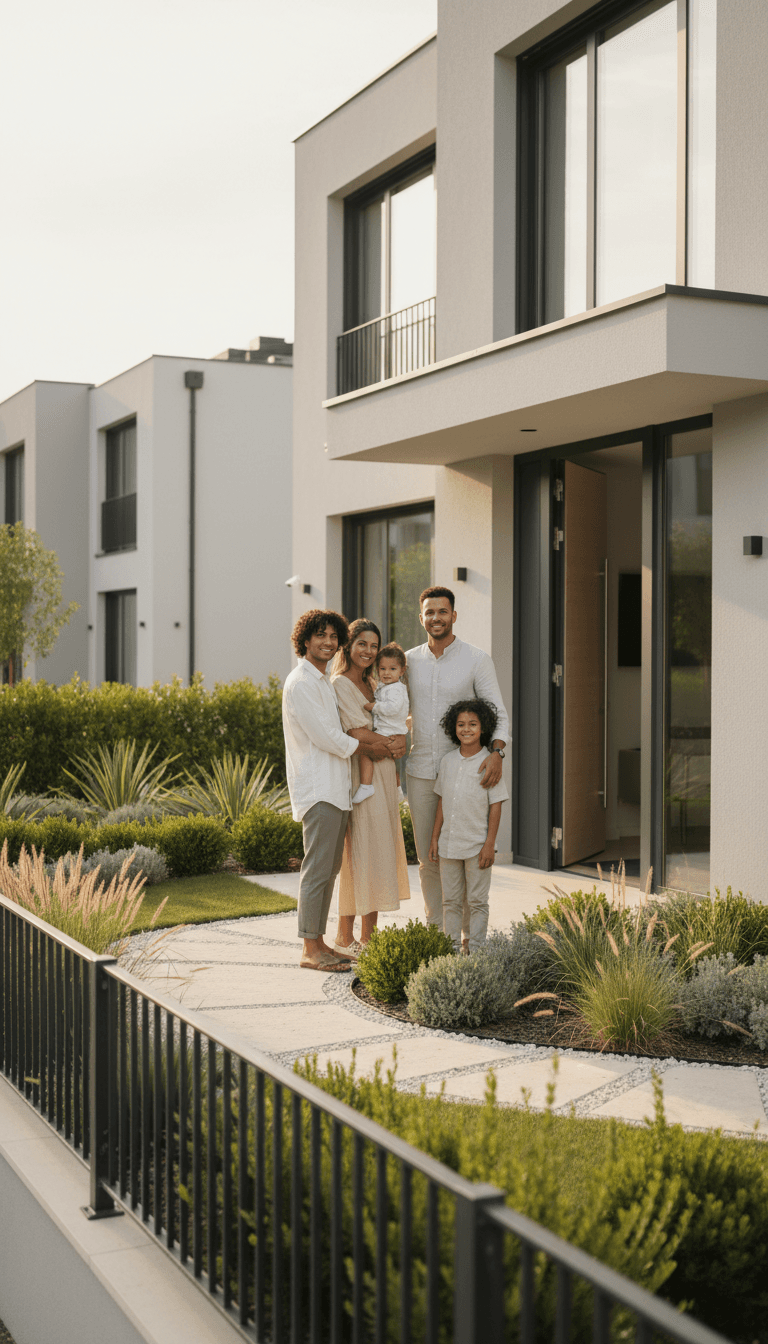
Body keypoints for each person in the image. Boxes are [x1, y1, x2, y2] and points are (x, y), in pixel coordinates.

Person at [282, 608, 383, 973]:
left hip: (336, 790)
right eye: (320, 635)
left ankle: (320, 943)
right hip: (319, 790)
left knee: (329, 872)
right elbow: (325, 737)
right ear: (305, 640)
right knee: (318, 870)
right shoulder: (302, 683)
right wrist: (367, 747)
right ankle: (310, 948)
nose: (327, 642)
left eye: (332, 637)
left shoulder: (322, 681)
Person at [406, 586, 510, 935]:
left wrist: (497, 752)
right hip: (421, 771)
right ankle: (439, 934)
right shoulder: (409, 661)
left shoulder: (476, 659)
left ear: (454, 615)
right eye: (429, 612)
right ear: (421, 618)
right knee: (430, 859)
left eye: (442, 611)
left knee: (467, 855)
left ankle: (470, 936)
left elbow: (498, 713)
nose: (436, 617)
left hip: (467, 772)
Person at [331, 620, 410, 958]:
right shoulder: (341, 684)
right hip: (362, 772)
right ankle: (344, 935)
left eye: (373, 646)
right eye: (361, 643)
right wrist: (393, 744)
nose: (368, 651)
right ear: (348, 646)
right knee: (359, 852)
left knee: (377, 851)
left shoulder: (375, 682)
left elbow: (395, 720)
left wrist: (400, 741)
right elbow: (357, 734)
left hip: (384, 772)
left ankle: (370, 938)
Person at [428, 698, 509, 952]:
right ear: (454, 728)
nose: (466, 729)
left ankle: (476, 952)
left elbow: (496, 805)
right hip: (448, 846)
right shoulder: (448, 761)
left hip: (477, 846)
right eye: (461, 724)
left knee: (477, 902)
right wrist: (434, 838)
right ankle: (451, 952)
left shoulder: (490, 764)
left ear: (483, 728)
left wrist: (489, 844)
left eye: (473, 724)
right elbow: (442, 801)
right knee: (450, 901)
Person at [352, 642, 410, 804]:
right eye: (382, 669)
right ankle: (398, 789)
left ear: (401, 671)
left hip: (388, 730)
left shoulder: (396, 689)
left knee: (366, 751)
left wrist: (374, 707)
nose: (386, 673)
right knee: (392, 763)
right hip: (389, 729)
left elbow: (393, 708)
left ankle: (366, 785)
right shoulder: (387, 686)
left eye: (392, 669)